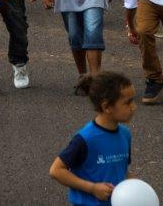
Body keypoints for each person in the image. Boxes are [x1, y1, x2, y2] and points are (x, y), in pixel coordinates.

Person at [49, 72, 136, 205]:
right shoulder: (86, 139)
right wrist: (92, 188)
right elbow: (56, 170)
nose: (134, 107)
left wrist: (136, 185)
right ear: (106, 107)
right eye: (128, 102)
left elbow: (121, 170)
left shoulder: (125, 134)